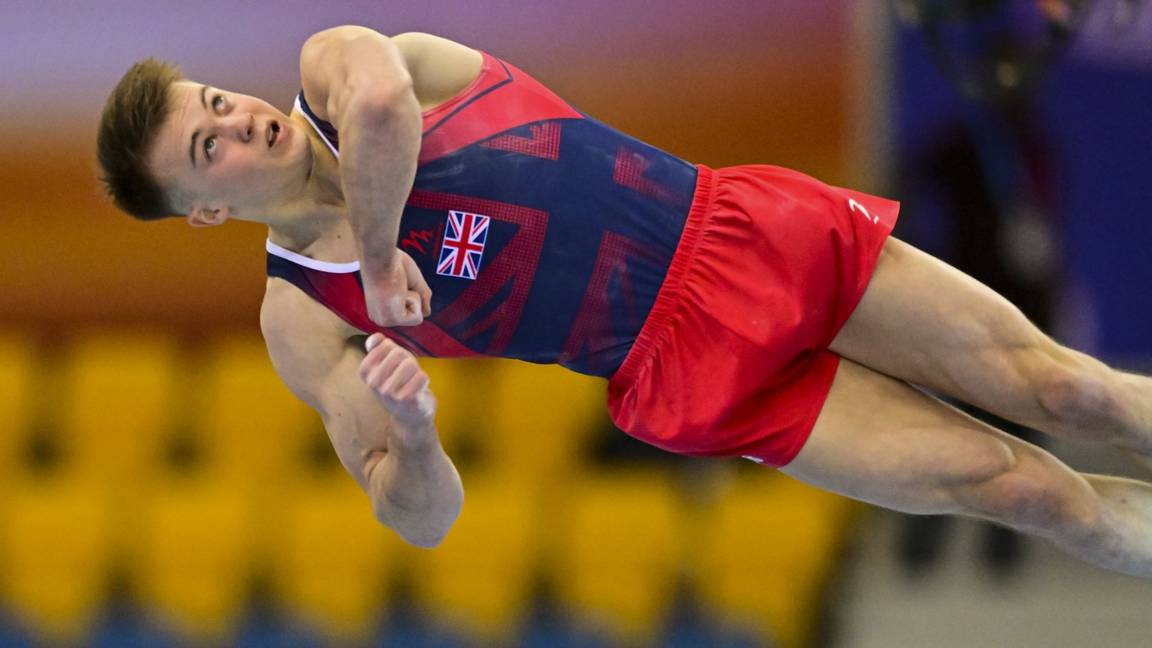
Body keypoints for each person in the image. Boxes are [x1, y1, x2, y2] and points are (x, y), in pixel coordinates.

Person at [97, 26, 1152, 577]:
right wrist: (414, 438)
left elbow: (379, 107)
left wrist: (381, 257)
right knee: (1021, 491)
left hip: (737, 233)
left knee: (1068, 394)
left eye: (216, 102)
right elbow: (420, 521)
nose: (238, 122)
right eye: (209, 146)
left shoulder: (337, 71)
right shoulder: (303, 319)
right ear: (201, 211)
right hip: (679, 370)